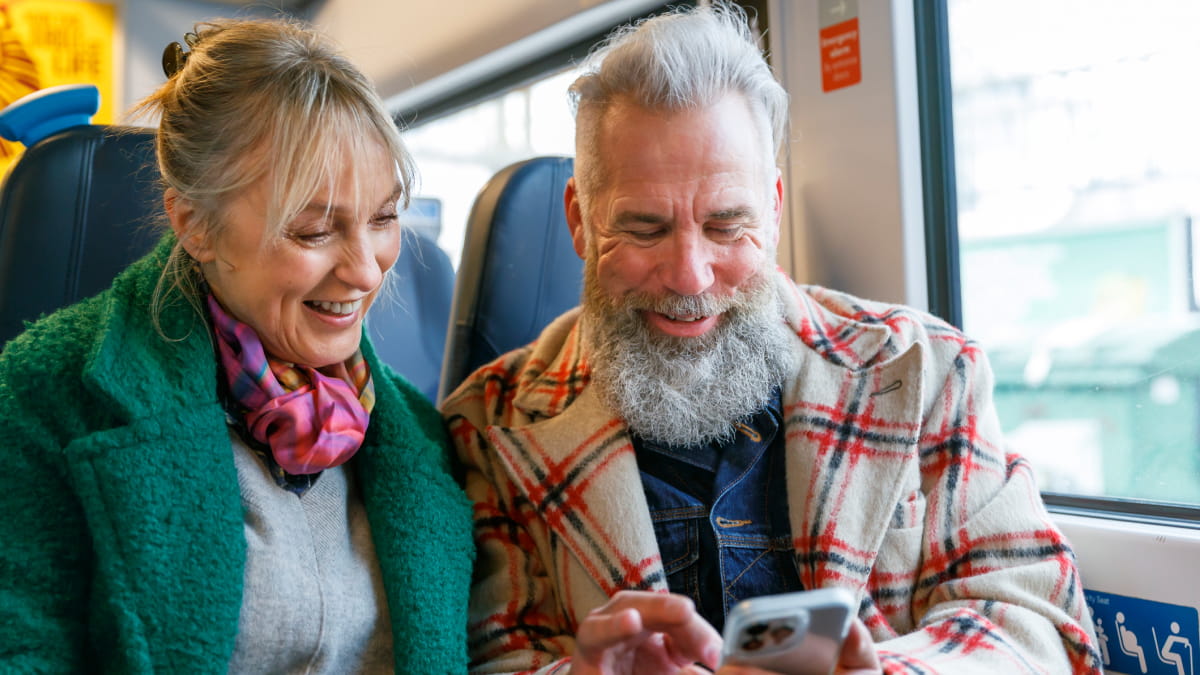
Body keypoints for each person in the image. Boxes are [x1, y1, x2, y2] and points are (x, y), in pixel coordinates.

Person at [441, 3, 1103, 674]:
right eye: (643, 229)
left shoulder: (928, 370)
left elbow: (1036, 623)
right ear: (580, 222)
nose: (690, 276)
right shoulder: (486, 425)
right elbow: (488, 655)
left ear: (775, 209)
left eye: (728, 225)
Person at [0, 17, 472, 673]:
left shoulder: (420, 435)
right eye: (314, 230)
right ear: (196, 225)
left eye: (384, 217)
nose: (367, 270)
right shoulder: (47, 388)